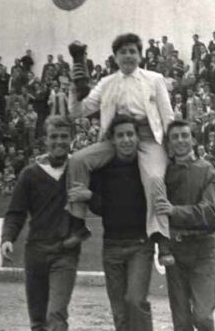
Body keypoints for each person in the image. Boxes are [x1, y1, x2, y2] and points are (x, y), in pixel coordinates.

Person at [65, 33, 175, 264]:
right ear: (115, 57)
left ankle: (161, 238)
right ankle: (77, 222)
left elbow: (168, 116)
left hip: (146, 138)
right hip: (115, 138)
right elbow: (78, 111)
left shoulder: (154, 79)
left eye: (132, 51)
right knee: (77, 160)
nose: (128, 56)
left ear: (140, 55)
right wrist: (75, 88)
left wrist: (172, 147)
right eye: (123, 52)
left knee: (155, 178)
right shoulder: (106, 83)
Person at [69, 115, 156, 331]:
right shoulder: (102, 169)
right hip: (112, 247)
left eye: (130, 134)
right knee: (119, 311)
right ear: (112, 140)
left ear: (137, 137)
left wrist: (89, 195)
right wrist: (90, 195)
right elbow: (100, 208)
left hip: (140, 244)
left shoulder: (147, 167)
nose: (126, 140)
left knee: (136, 301)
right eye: (121, 135)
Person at [0, 115, 82, 331]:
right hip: (36, 251)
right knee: (37, 320)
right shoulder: (29, 174)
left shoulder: (79, 170)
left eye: (64, 137)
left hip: (66, 251)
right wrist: (7, 238)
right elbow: (16, 212)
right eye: (53, 137)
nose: (59, 142)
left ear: (72, 139)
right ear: (45, 140)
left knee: (56, 313)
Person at [155, 120, 215, 331]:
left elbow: (213, 213)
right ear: (168, 143)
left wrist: (174, 211)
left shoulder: (207, 170)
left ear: (193, 140)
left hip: (202, 250)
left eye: (185, 135)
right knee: (182, 322)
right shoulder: (163, 174)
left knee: (203, 317)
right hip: (174, 252)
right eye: (175, 137)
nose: (180, 140)